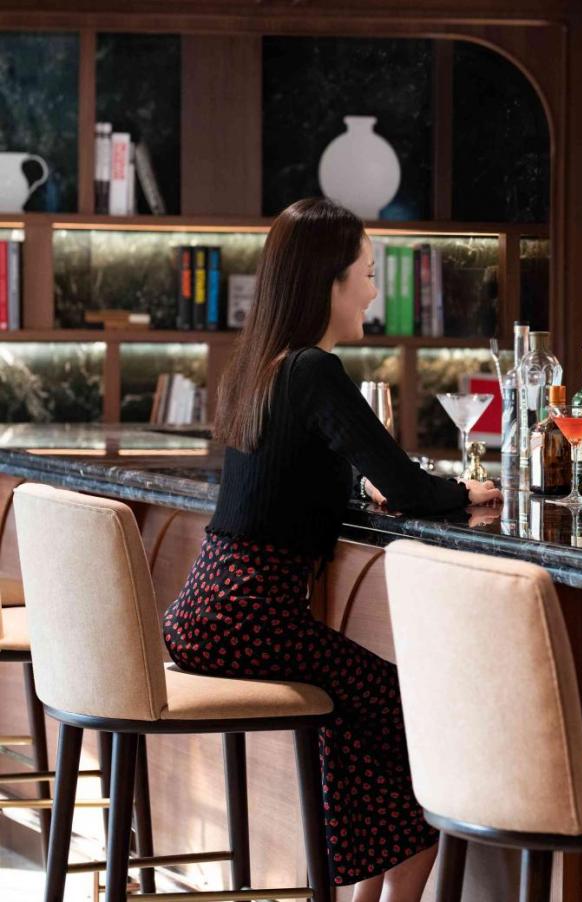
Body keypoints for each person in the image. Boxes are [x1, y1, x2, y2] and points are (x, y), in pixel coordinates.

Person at [163, 197, 500, 901]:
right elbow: (405, 485)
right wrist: (469, 492)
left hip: (207, 611)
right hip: (251, 619)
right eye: (368, 273)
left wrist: (362, 489)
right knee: (420, 716)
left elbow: (302, 480)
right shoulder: (316, 369)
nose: (374, 291)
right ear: (331, 283)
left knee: (354, 727)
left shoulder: (261, 365)